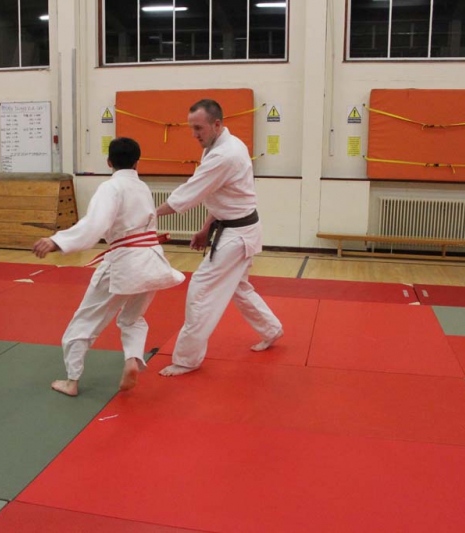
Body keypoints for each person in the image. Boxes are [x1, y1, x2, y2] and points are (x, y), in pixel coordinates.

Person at [33, 137, 184, 396]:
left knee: (85, 321)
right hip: (151, 262)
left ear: (109, 162)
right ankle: (132, 359)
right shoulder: (142, 187)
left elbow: (95, 224)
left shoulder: (110, 187)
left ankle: (72, 380)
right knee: (132, 318)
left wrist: (57, 240)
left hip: (124, 262)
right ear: (137, 163)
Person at [155, 99, 283, 377]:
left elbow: (187, 195)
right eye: (191, 128)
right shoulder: (220, 146)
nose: (194, 134)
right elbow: (219, 195)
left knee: (200, 290)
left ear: (216, 124)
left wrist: (147, 216)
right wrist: (206, 227)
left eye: (198, 128)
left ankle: (187, 359)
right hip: (237, 227)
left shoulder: (225, 154)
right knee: (239, 287)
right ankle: (271, 329)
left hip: (237, 235)